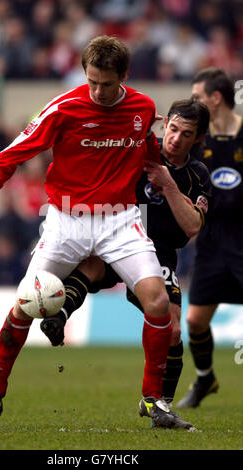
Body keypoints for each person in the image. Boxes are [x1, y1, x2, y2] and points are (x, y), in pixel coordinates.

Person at [0, 35, 182, 429]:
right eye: (92, 81)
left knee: (159, 303)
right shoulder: (63, 108)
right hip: (66, 220)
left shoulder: (143, 107)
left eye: (106, 83)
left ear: (124, 77)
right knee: (23, 307)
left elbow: (147, 149)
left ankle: (154, 402)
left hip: (120, 219)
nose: (98, 91)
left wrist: (165, 171)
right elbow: (18, 149)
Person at [42, 98, 211, 429]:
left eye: (186, 134)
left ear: (198, 139)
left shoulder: (198, 174)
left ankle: (159, 405)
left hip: (159, 252)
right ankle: (58, 316)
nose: (175, 138)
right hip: (119, 235)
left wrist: (169, 185)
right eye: (173, 129)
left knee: (175, 331)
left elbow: (192, 227)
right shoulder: (141, 148)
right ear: (166, 125)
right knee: (92, 265)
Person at [176, 68, 243, 408]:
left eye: (198, 97)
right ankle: (205, 379)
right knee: (195, 320)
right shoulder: (196, 140)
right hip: (212, 241)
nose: (193, 103)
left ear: (216, 99)